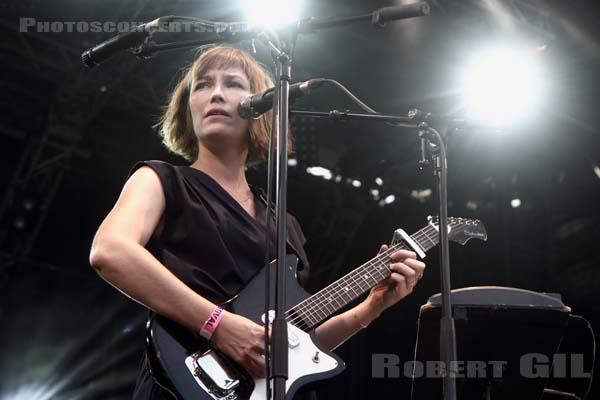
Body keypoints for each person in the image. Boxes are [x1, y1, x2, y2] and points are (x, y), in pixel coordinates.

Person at [89, 45, 426, 399]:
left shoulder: (285, 224)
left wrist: (369, 309)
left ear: (262, 108)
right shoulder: (161, 180)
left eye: (232, 84)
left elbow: (292, 349)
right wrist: (219, 326)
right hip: (177, 387)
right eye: (202, 85)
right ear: (187, 108)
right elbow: (110, 251)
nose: (216, 93)